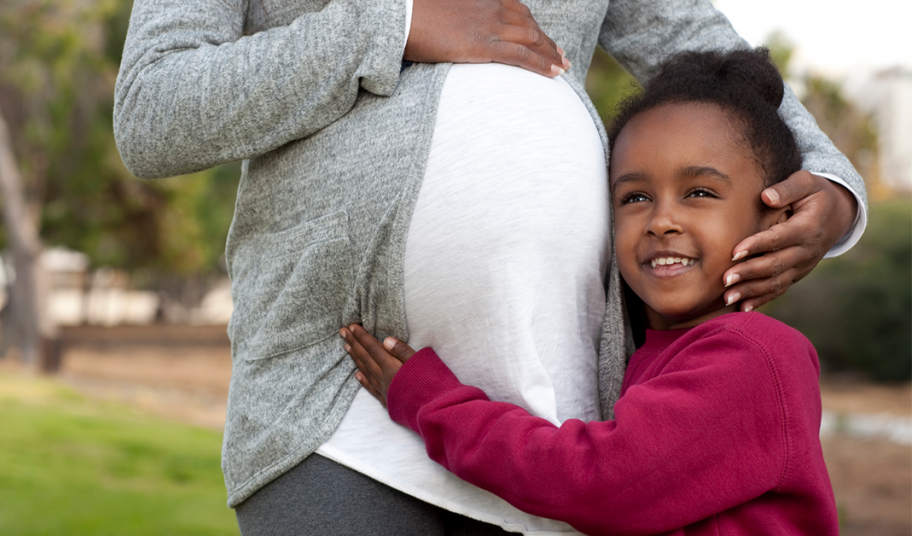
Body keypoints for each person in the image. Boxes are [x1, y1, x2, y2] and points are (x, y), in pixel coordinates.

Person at [114, 0, 864, 532]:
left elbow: (703, 48)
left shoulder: (755, 365)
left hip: (557, 393)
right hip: (338, 391)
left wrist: (831, 184)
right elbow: (153, 113)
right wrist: (394, 22)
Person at [341, 48, 838, 535]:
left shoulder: (757, 358)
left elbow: (597, 483)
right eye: (635, 197)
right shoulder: (645, 353)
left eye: (699, 193)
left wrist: (432, 404)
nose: (661, 221)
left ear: (776, 219)